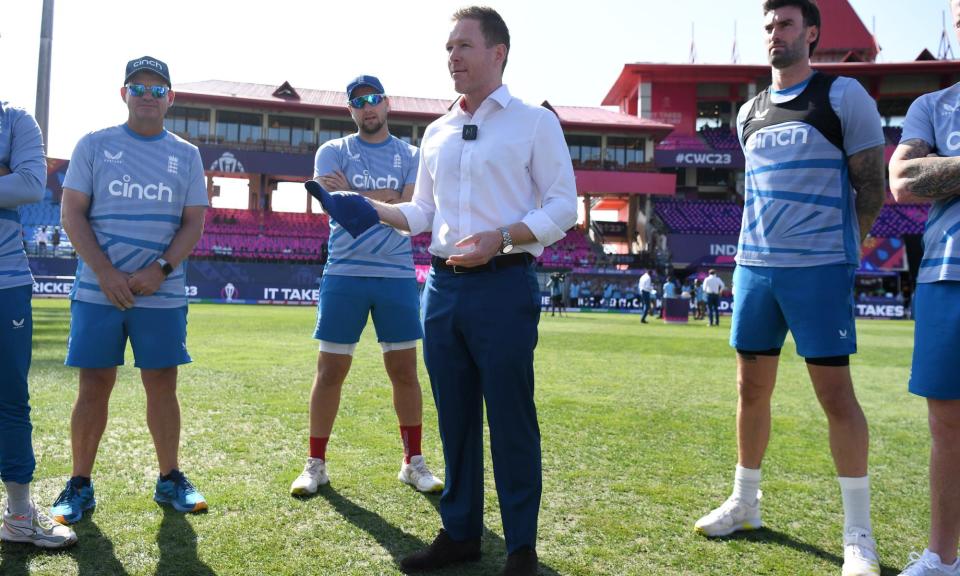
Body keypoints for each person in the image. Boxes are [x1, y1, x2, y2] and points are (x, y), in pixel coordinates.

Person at [365, 7, 577, 575]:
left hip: (504, 284)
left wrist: (503, 237)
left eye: (463, 45)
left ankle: (521, 548)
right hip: (441, 287)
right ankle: (460, 533)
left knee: (511, 416)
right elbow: (423, 213)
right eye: (448, 47)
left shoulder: (535, 122)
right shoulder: (435, 131)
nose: (452, 56)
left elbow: (563, 206)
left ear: (498, 53)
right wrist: (371, 210)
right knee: (454, 416)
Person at [692, 3, 887, 575]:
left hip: (819, 268)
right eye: (769, 27)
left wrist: (846, 250)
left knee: (835, 397)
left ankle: (859, 536)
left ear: (811, 33)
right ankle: (745, 502)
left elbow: (870, 184)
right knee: (750, 390)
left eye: (785, 26)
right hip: (755, 268)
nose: (775, 36)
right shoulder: (749, 111)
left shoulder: (843, 96)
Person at [52, 56, 209, 524]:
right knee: (93, 384)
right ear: (123, 94)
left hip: (161, 292)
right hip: (99, 290)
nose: (147, 95)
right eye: (137, 87)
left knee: (162, 382)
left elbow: (194, 222)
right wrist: (104, 272)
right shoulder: (95, 145)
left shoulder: (187, 154)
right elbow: (72, 213)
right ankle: (80, 483)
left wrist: (160, 269)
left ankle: (170, 478)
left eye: (157, 89)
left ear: (170, 98)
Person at [289, 74, 443, 497]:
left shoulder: (413, 154)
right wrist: (384, 198)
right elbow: (338, 209)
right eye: (359, 102)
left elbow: (411, 212)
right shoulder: (332, 150)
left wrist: (356, 193)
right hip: (344, 273)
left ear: (387, 103)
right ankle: (315, 464)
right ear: (350, 110)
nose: (367, 107)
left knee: (405, 373)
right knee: (330, 371)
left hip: (395, 276)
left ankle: (413, 462)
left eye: (374, 99)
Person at [889, 1, 960, 572]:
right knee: (947, 422)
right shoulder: (931, 105)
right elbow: (905, 180)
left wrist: (949, 168)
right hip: (947, 270)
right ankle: (942, 557)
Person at [0, 100, 77, 548]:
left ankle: (18, 517)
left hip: (6, 280)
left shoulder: (15, 120)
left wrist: (13, 177)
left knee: (11, 400)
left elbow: (29, 184)